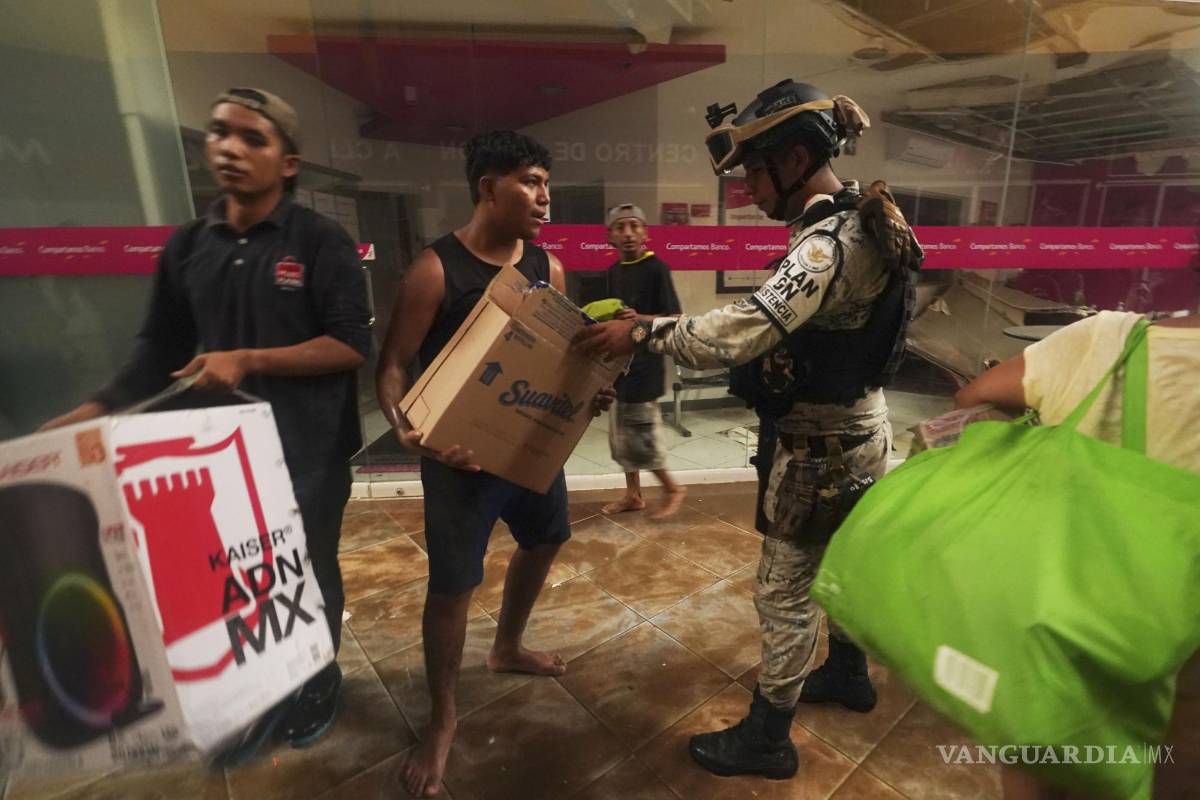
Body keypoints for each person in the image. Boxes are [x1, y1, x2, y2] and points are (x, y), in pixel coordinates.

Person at [573, 79, 921, 781]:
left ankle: (768, 738)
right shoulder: (864, 220)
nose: (749, 190)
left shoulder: (826, 246)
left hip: (821, 450)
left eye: (754, 172)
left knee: (785, 593)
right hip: (863, 432)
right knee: (844, 568)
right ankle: (849, 674)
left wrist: (639, 331)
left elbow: (734, 335)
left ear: (794, 160)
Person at [40, 88, 372, 750]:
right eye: (219, 133)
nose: (229, 148)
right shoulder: (190, 245)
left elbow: (350, 345)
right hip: (212, 456)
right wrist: (94, 410)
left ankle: (316, 678)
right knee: (232, 577)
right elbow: (157, 349)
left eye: (253, 138)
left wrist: (247, 358)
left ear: (288, 162)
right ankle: (257, 687)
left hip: (306, 450)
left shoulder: (320, 241)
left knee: (305, 570)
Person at [375, 130, 614, 798]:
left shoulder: (548, 269)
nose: (545, 198)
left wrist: (589, 392)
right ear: (488, 188)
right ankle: (443, 717)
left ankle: (507, 646)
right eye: (531, 182)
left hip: (527, 447)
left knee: (547, 538)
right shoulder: (435, 269)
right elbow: (392, 366)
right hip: (456, 462)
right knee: (453, 584)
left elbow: (562, 364)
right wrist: (408, 430)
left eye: (545, 184)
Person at [955, 309, 1200, 800]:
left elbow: (973, 395)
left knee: (1039, 751)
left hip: (1067, 608)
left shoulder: (1109, 341)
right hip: (1178, 642)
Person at [599, 203, 686, 519]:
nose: (628, 233)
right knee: (621, 435)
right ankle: (633, 495)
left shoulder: (656, 269)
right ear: (610, 236)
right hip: (619, 367)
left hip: (645, 367)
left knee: (642, 434)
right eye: (620, 227)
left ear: (646, 233)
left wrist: (641, 320)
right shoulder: (612, 272)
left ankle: (672, 488)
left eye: (635, 226)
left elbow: (675, 317)